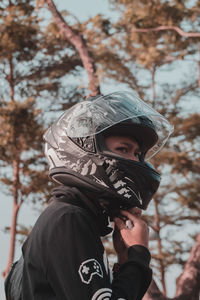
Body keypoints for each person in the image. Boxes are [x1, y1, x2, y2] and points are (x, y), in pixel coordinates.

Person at [5, 91, 173, 300]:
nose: (135, 161)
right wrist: (138, 255)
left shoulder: (67, 217)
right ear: (83, 150)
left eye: (137, 153)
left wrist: (124, 261)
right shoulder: (68, 219)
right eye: (124, 149)